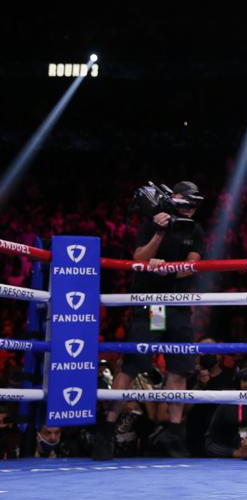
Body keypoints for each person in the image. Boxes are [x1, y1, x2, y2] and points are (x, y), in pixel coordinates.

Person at [93, 181, 206, 460]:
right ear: (175, 199)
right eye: (187, 202)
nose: (191, 207)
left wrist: (167, 270)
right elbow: (139, 259)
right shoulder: (152, 223)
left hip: (178, 304)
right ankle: (107, 428)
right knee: (134, 364)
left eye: (194, 203)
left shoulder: (195, 229)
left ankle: (173, 433)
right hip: (153, 304)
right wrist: (158, 234)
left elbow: (192, 265)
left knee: (179, 367)